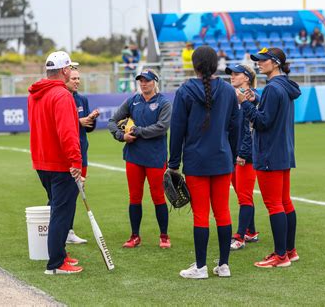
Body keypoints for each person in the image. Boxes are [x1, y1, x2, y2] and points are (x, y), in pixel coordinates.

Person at [169, 46, 239, 279]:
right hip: (222, 159)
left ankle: (200, 267)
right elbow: (236, 127)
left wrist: (173, 163)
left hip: (196, 161)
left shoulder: (185, 90)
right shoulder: (229, 91)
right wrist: (233, 154)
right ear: (216, 64)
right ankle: (224, 265)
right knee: (223, 212)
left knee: (201, 214)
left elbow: (177, 130)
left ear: (195, 65)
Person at [239, 47, 301, 268]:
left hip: (269, 154)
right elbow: (269, 115)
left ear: (275, 63)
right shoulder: (282, 85)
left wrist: (245, 103)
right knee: (284, 202)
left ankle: (280, 255)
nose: (258, 63)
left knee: (274, 204)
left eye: (263, 60)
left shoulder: (274, 88)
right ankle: (289, 251)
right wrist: (255, 100)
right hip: (283, 151)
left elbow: (263, 122)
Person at [28, 51, 83, 274]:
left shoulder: (34, 94)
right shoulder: (61, 96)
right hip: (60, 164)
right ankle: (56, 263)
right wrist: (76, 162)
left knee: (57, 210)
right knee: (61, 213)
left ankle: (59, 254)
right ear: (64, 71)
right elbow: (68, 133)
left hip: (42, 162)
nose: (71, 71)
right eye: (69, 67)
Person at [107, 69, 172, 249]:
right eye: (141, 81)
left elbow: (162, 127)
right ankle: (135, 236)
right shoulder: (133, 100)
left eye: (147, 80)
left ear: (155, 82)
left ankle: (164, 236)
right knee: (135, 197)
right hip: (134, 156)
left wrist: (138, 131)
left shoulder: (164, 103)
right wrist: (121, 136)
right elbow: (112, 121)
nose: (143, 84)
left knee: (158, 197)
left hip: (155, 157)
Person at [225, 64, 260, 251]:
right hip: (233, 154)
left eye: (236, 74)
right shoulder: (233, 97)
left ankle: (239, 237)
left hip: (245, 156)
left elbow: (250, 129)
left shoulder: (252, 97)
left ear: (246, 78)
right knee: (242, 194)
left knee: (244, 197)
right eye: (231, 74)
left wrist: (243, 154)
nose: (232, 76)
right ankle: (251, 231)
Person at [64, 68, 100, 244]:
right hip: (66, 154)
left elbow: (87, 128)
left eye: (78, 78)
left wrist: (91, 119)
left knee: (76, 192)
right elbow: (63, 125)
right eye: (73, 78)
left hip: (81, 151)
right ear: (65, 79)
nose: (77, 81)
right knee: (63, 194)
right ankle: (58, 231)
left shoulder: (82, 99)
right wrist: (79, 121)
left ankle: (68, 231)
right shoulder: (61, 97)